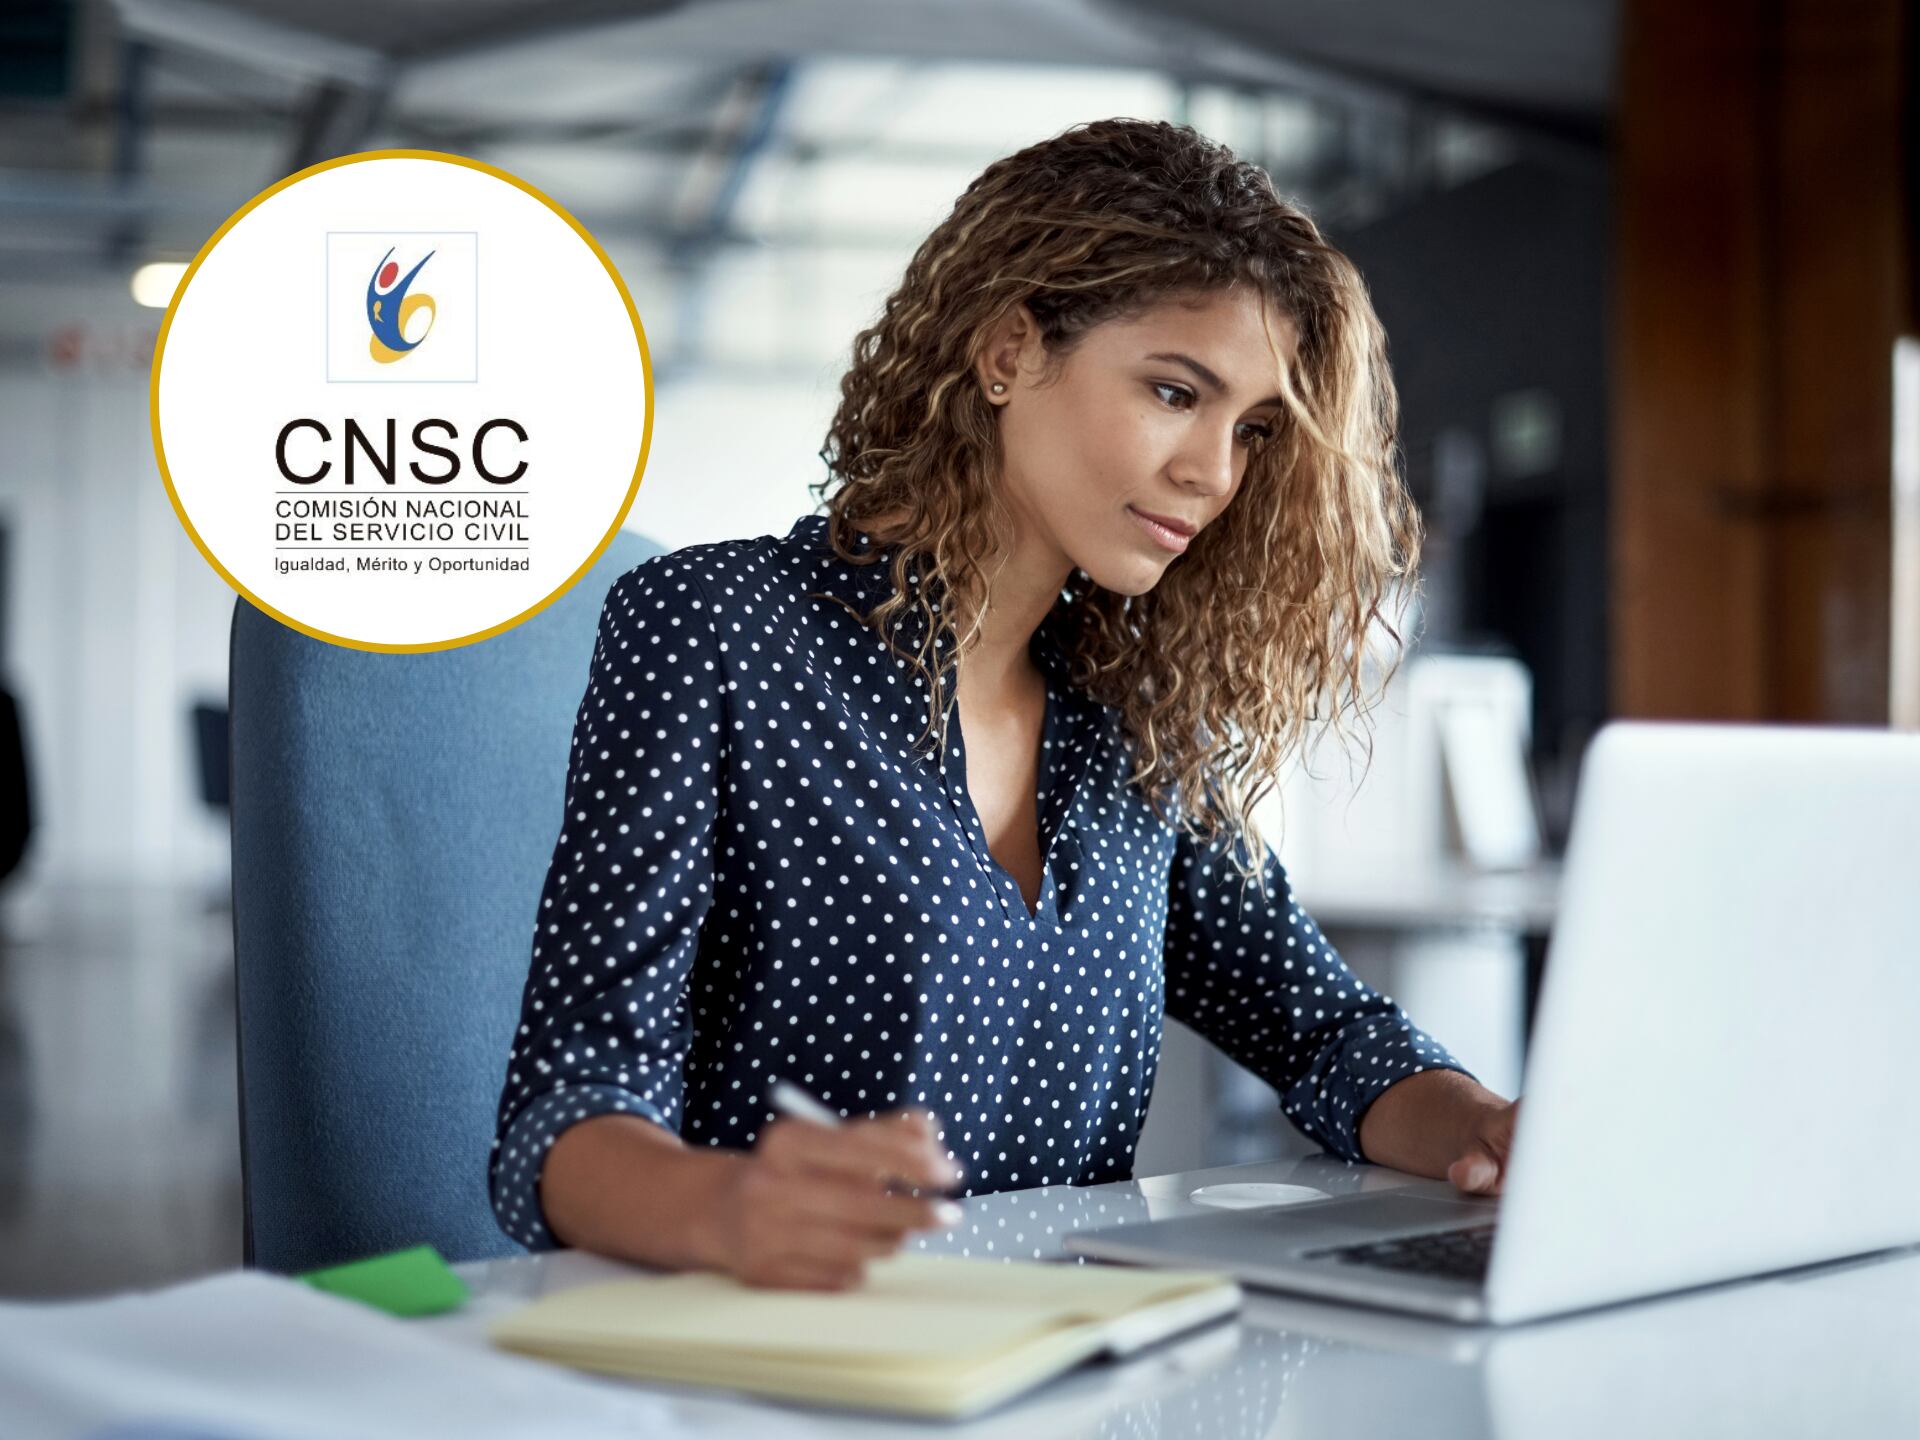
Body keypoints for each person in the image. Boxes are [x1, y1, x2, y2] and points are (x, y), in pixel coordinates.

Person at [489, 117, 1521, 1292]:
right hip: (774, 1371)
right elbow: (562, 1118)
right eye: (1175, 391)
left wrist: (1487, 1129)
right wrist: (725, 1207)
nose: (1215, 472)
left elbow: (1329, 1037)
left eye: (1252, 430)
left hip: (1063, 1372)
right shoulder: (716, 627)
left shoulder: (1132, 721)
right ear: (1007, 352)